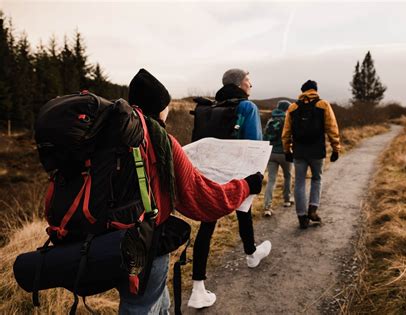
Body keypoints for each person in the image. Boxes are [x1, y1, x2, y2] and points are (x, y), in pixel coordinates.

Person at [118, 68, 264, 314]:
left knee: (156, 301)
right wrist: (247, 185)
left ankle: (199, 286)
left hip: (105, 241)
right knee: (142, 306)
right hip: (144, 243)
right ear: (160, 107)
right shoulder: (160, 140)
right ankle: (245, 257)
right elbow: (203, 199)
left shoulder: (116, 134)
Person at [188, 69, 272, 309]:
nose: (251, 84)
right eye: (248, 80)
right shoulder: (247, 107)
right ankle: (251, 254)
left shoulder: (210, 108)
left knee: (208, 223)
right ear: (239, 83)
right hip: (237, 176)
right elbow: (254, 146)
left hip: (211, 177)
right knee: (243, 209)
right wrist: (255, 178)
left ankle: (198, 287)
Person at [281, 80, 341, 229]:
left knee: (300, 182)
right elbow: (332, 128)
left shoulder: (293, 107)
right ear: (315, 90)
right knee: (317, 179)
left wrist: (287, 150)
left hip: (299, 152)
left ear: (302, 91)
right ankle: (313, 210)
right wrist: (336, 148)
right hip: (317, 151)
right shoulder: (323, 105)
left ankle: (302, 216)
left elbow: (286, 132)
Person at [262, 100, 293, 217]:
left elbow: (265, 136)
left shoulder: (271, 119)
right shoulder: (287, 120)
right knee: (288, 176)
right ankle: (287, 200)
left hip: (271, 153)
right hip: (284, 153)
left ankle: (267, 207)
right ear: (286, 109)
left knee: (271, 180)